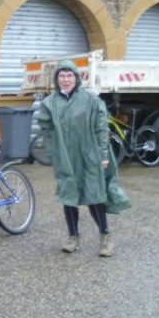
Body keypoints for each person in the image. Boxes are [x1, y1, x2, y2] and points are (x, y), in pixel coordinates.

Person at [37, 61, 130, 257]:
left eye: (69, 75)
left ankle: (105, 237)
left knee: (94, 196)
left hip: (90, 156)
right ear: (56, 79)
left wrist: (103, 155)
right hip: (66, 158)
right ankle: (73, 236)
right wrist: (53, 150)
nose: (65, 80)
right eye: (61, 76)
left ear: (76, 78)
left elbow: (101, 128)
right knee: (69, 197)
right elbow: (45, 129)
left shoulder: (91, 100)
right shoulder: (49, 103)